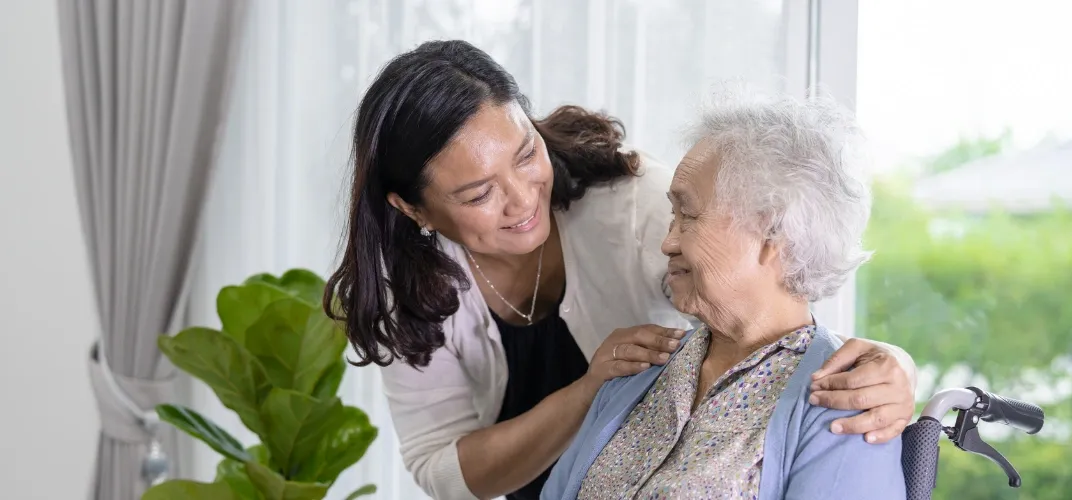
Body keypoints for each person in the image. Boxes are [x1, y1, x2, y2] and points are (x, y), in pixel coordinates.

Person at [324, 40, 915, 500]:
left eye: (527, 154)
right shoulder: (627, 382)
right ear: (412, 207)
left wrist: (891, 367)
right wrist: (587, 392)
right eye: (479, 194)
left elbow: (786, 287)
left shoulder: (638, 207)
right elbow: (443, 466)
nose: (523, 198)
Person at [542, 91, 906, 500]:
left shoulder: (848, 400)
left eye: (689, 216)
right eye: (672, 216)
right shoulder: (638, 369)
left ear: (773, 234)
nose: (668, 243)